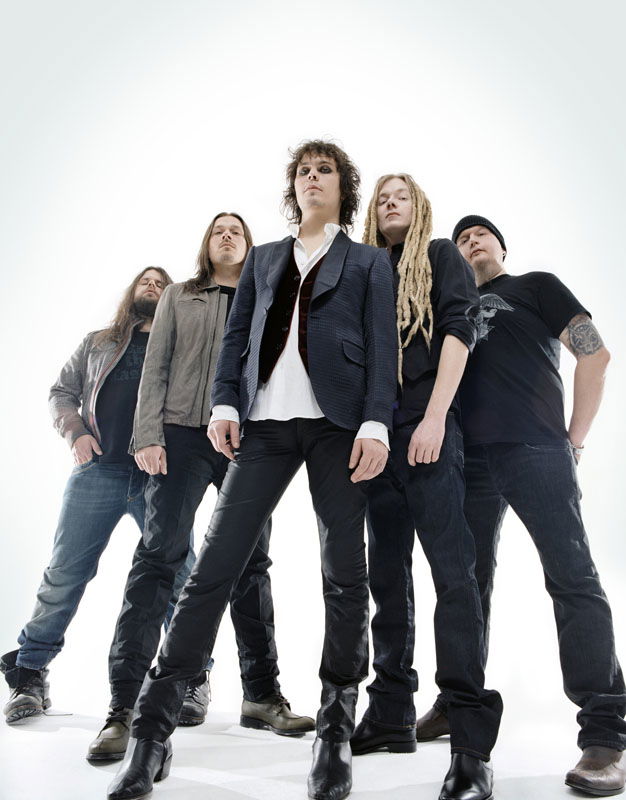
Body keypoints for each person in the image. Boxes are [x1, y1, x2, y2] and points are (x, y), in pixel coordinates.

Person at [105, 140, 397, 800]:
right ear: (293, 188)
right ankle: (151, 733)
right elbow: (237, 338)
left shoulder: (368, 262)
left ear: (343, 188)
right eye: (304, 171)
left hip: (339, 427)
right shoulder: (265, 258)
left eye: (324, 170)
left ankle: (334, 730)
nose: (312, 178)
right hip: (263, 426)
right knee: (213, 567)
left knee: (344, 573)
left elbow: (384, 350)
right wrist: (225, 403)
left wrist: (377, 423)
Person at [416, 214, 626, 797]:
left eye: (480, 234)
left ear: (501, 246)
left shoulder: (536, 286)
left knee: (572, 577)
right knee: (464, 585)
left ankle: (605, 733)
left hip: (536, 449)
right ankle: (457, 703)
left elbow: (595, 355)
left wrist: (573, 440)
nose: (471, 241)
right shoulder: (450, 303)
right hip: (465, 460)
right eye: (462, 239)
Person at [96, 213, 315, 763]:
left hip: (246, 439)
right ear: (206, 243)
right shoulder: (180, 295)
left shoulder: (267, 296)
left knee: (252, 564)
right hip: (180, 436)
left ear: (250, 245)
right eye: (218, 229)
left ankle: (261, 695)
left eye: (236, 229)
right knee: (159, 558)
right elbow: (155, 366)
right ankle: (123, 708)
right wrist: (148, 435)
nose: (227, 235)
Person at [350, 175, 502, 800]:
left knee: (453, 578)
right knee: (386, 578)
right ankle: (390, 712)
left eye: (401, 196)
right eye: (382, 197)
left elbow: (459, 332)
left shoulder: (440, 254)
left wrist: (436, 417)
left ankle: (469, 742)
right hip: (376, 438)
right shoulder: (365, 270)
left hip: (429, 429)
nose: (391, 203)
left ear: (420, 207)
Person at [0, 267, 198, 732]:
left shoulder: (179, 344)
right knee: (66, 572)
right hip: (99, 471)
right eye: (146, 281)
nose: (153, 287)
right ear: (133, 291)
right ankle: (29, 673)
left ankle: (191, 679)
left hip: (159, 474)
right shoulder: (98, 342)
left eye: (161, 283)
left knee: (180, 575)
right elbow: (61, 392)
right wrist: (75, 433)